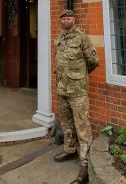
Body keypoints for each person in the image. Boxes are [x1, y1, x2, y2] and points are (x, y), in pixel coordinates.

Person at [54, 9, 99, 183]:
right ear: (61, 21)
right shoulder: (59, 38)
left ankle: (85, 164)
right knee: (66, 123)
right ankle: (69, 149)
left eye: (70, 17)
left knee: (83, 127)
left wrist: (81, 75)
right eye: (64, 18)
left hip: (78, 90)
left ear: (74, 20)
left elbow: (94, 61)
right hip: (62, 90)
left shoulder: (82, 38)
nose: (67, 20)